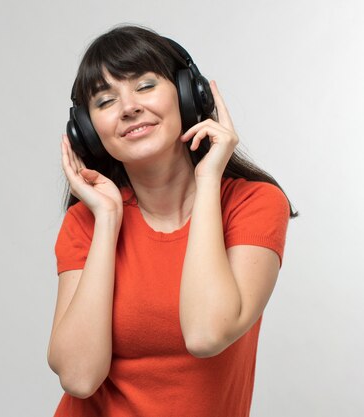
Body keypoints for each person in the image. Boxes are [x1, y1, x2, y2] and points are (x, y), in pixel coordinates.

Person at [46, 25, 297, 417]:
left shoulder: (253, 204)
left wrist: (209, 178)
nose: (128, 107)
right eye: (106, 100)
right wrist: (109, 219)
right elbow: (79, 377)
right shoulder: (87, 222)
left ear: (187, 94)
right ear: (88, 131)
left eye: (145, 86)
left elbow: (205, 333)